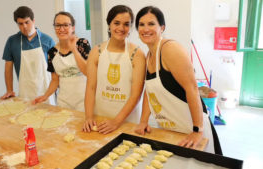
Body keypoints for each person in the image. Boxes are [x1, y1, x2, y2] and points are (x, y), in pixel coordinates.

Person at [134, 6, 222, 154]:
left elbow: (192, 88)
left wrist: (197, 130)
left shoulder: (170, 49)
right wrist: (143, 121)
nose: (145, 29)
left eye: (151, 24)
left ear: (162, 28)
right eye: (141, 25)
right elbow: (150, 94)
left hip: (191, 129)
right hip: (172, 130)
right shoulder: (149, 56)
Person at [82, 5, 146, 134]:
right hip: (100, 118)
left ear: (130, 27)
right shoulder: (96, 51)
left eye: (126, 24)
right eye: (116, 23)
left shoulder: (137, 54)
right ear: (109, 24)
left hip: (128, 120)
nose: (121, 28)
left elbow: (136, 95)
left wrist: (116, 122)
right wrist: (89, 117)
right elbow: (91, 87)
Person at [32, 11, 91, 112]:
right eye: (58, 25)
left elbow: (88, 72)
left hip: (84, 100)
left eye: (65, 25)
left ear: (73, 27)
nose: (61, 29)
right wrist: (45, 96)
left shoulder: (82, 44)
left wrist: (74, 50)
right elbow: (55, 80)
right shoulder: (52, 52)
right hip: (63, 101)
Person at [1, 6, 55, 102]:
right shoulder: (12, 41)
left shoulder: (47, 40)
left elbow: (56, 68)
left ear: (33, 21)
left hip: (46, 94)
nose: (24, 26)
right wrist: (9, 90)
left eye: (27, 22)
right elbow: (8, 67)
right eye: (20, 24)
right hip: (25, 95)